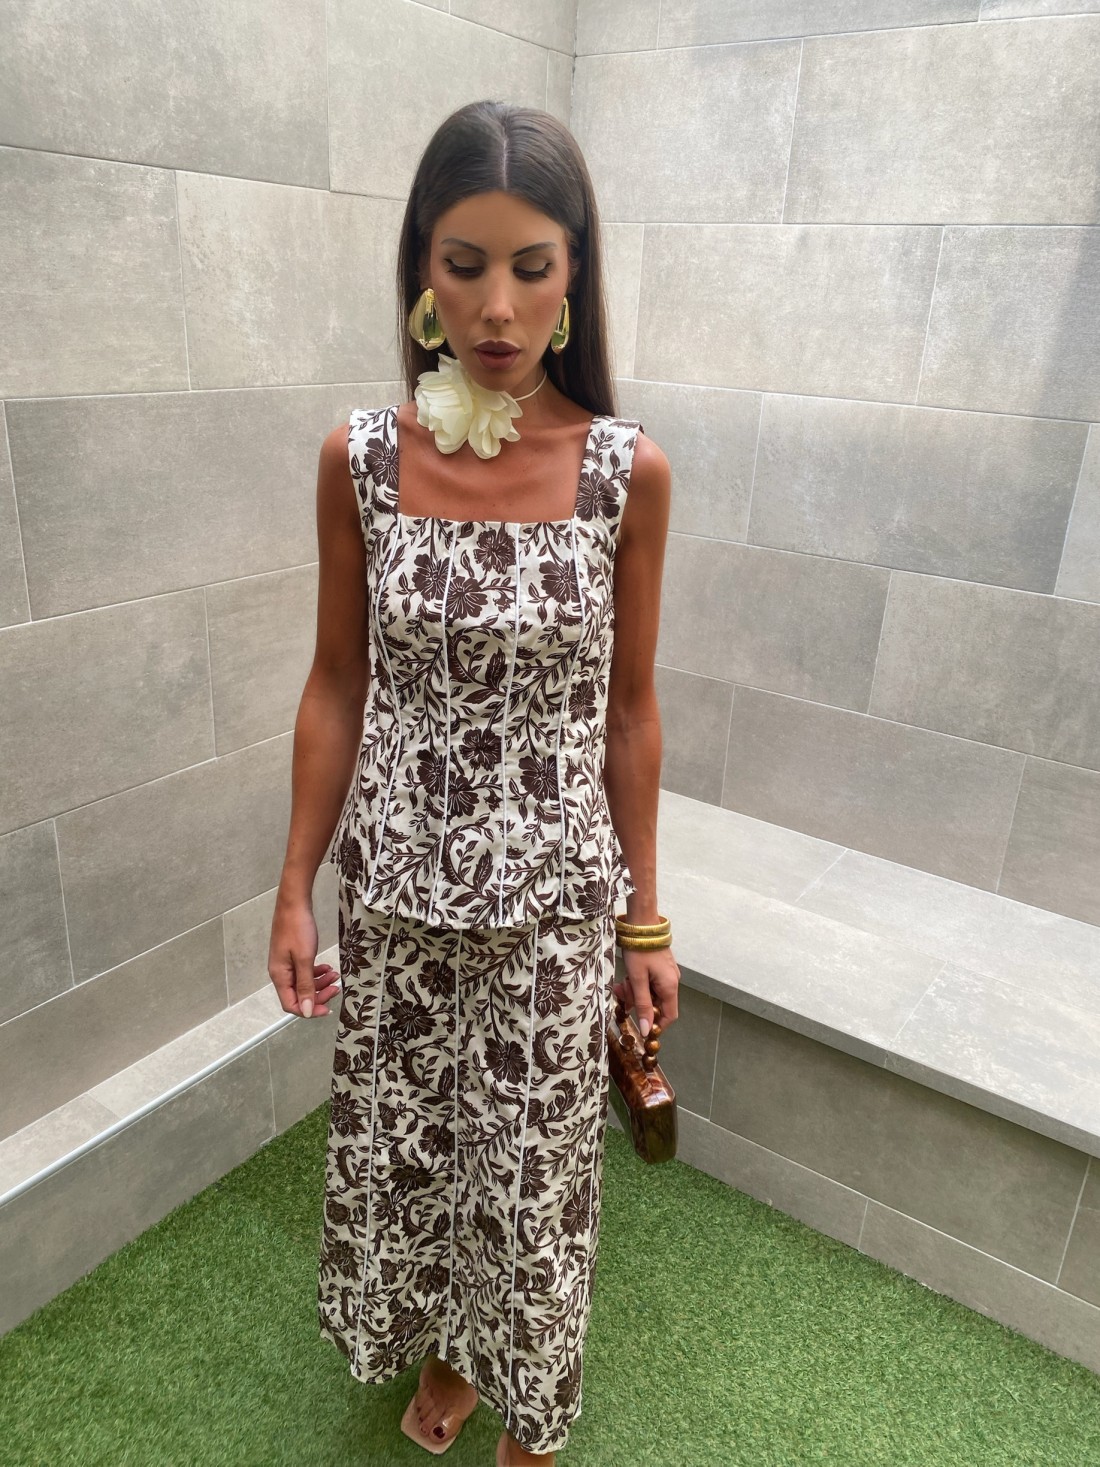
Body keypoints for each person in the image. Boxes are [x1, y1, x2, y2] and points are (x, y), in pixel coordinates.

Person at [268, 99, 680, 1467]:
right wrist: (293, 888)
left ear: (573, 277)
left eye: (530, 266)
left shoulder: (625, 474)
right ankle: (447, 1354)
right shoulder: (360, 461)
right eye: (464, 264)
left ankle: (533, 1424)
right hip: (396, 895)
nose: (496, 306)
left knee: (535, 1180)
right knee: (418, 1159)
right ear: (420, 272)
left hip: (554, 909)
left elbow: (630, 711)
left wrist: (645, 922)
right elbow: (337, 681)